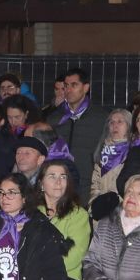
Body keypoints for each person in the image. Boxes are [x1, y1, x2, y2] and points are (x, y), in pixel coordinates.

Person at [45, 68, 102, 197]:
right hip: (58, 183)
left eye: (74, 85)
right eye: (66, 86)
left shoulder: (101, 118)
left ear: (86, 87)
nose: (68, 90)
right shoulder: (54, 118)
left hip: (88, 183)